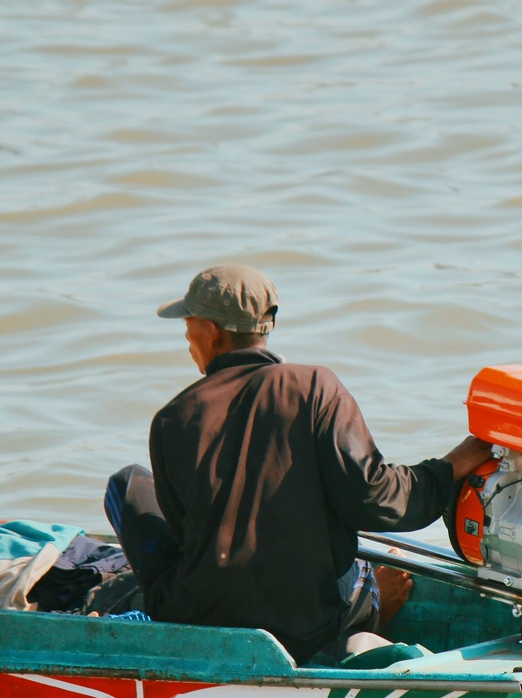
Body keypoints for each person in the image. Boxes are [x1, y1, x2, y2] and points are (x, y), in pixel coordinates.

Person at [105, 264, 493, 665]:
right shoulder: (315, 388)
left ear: (211, 330)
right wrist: (449, 466)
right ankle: (370, 606)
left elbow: (184, 533)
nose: (186, 336)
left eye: (188, 323)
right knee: (355, 550)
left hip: (201, 615)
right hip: (312, 622)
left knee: (126, 483)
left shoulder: (174, 418)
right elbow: (376, 498)